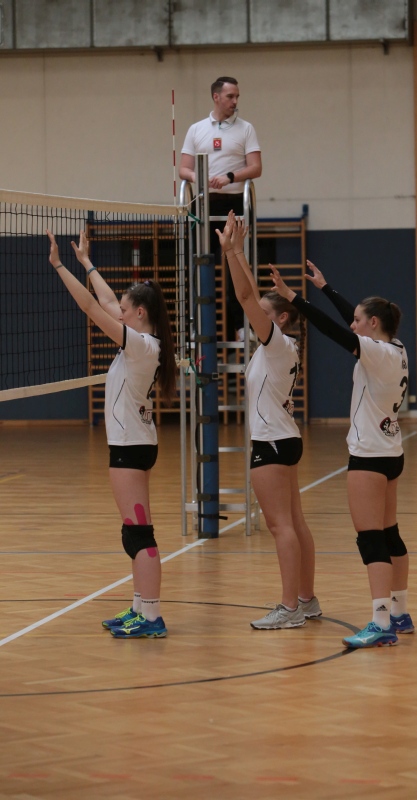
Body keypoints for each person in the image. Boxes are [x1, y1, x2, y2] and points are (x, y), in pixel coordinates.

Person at [272, 260, 413, 649]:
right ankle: (399, 612)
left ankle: (380, 622)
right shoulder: (395, 347)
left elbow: (333, 329)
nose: (352, 324)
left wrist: (293, 297)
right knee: (389, 534)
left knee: (371, 539)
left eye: (358, 320)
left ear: (372, 324)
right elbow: (355, 320)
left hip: (369, 457)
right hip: (391, 452)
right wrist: (326, 288)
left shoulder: (375, 353)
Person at [47, 230, 177, 638]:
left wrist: (58, 266)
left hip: (131, 447)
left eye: (123, 309)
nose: (116, 312)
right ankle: (140, 607)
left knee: (139, 532)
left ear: (138, 313)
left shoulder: (141, 345)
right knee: (133, 530)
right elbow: (104, 301)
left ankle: (151, 616)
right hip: (134, 444)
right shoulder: (142, 340)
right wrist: (87, 263)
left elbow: (91, 306)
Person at [215, 212, 320, 629]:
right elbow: (252, 296)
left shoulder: (276, 343)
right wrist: (238, 251)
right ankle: (306, 600)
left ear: (281, 319)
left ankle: (290, 608)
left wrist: (230, 253)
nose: (253, 315)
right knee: (295, 523)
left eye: (262, 313)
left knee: (281, 526)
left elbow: (245, 296)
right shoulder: (279, 345)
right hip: (285, 437)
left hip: (272, 442)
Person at [179, 76, 262, 340]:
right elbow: (183, 169)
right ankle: (196, 324)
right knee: (198, 263)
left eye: (237, 96)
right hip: (204, 204)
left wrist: (230, 177)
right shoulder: (196, 129)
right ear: (216, 97)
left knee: (235, 265)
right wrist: (198, 178)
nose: (235, 101)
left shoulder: (246, 129)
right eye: (230, 96)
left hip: (234, 204)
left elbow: (256, 167)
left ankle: (242, 326)